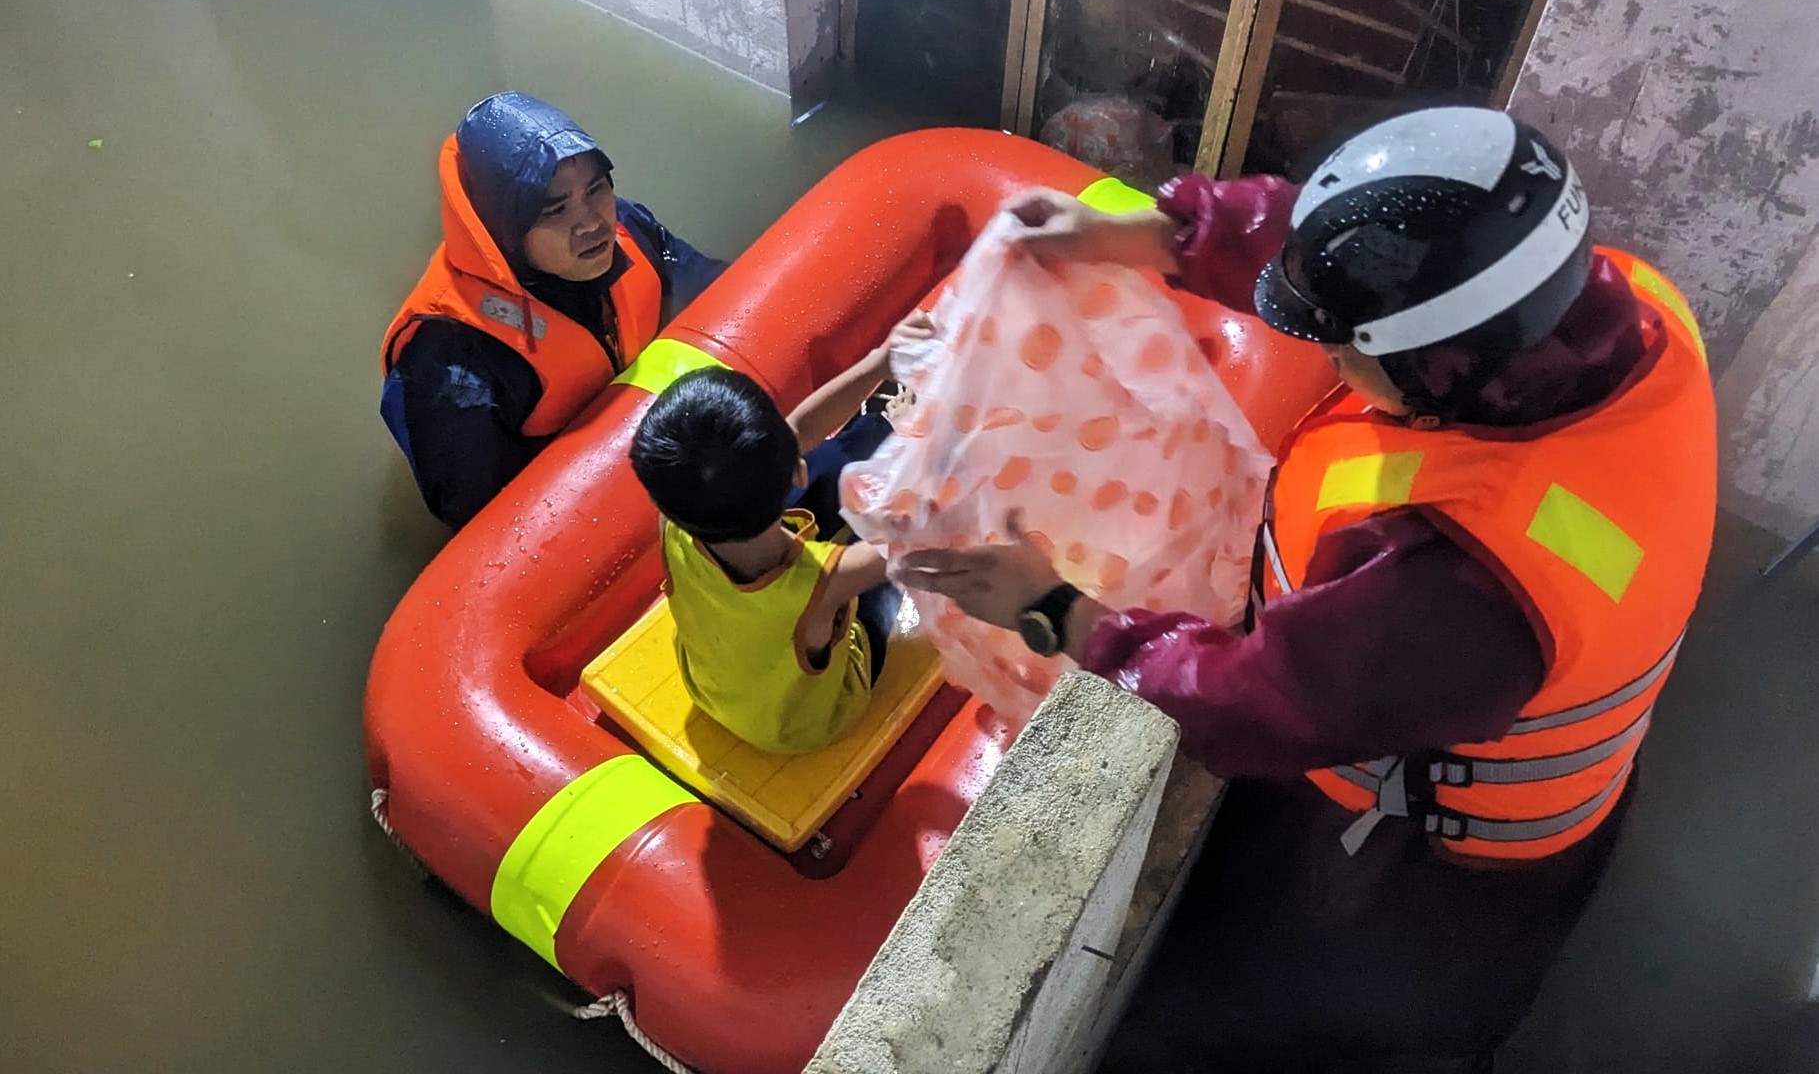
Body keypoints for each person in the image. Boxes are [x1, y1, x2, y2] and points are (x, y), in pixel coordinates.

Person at [897, 107, 1717, 1072]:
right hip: (1479, 756)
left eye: (1343, 346)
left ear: (1431, 365)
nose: (1325, 357)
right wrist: (1166, 232)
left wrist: (1055, 609)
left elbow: (1254, 704)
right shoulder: (1585, 304)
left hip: (1418, 871)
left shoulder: (1467, 585)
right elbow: (1356, 251)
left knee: (1316, 1022)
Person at [380, 91, 727, 528]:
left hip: (651, 431)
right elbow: (485, 522)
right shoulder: (451, 367)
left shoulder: (628, 228)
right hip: (573, 498)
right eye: (555, 210)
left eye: (595, 189)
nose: (592, 223)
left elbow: (722, 294)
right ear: (505, 229)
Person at [629, 313, 931, 754]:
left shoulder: (672, 520)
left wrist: (880, 362)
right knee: (894, 518)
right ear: (794, 470)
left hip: (711, 686)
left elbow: (796, 435)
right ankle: (894, 431)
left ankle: (880, 429)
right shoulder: (827, 582)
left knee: (827, 472)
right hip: (806, 726)